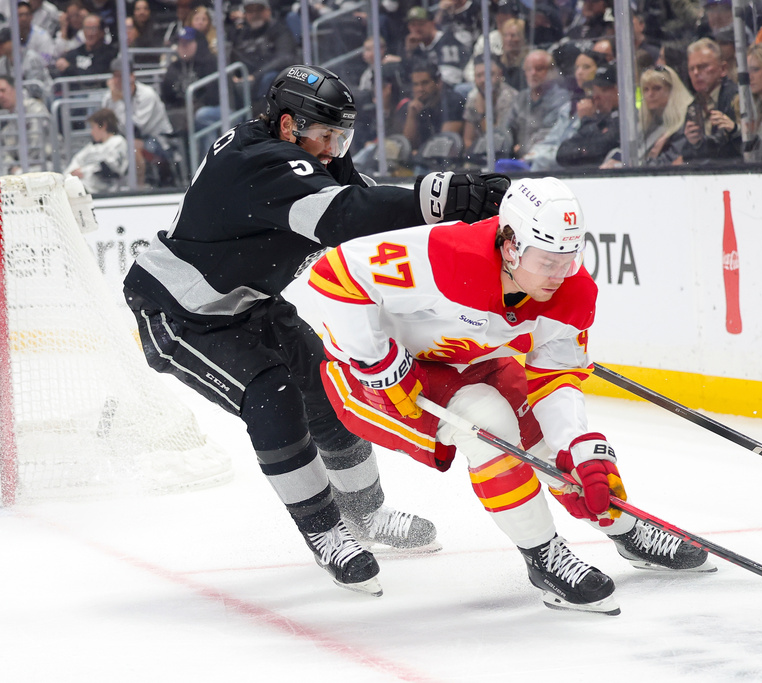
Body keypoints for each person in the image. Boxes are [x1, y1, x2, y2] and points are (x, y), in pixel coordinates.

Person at [123, 64, 510, 596]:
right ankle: (326, 531)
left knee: (328, 391)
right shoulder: (259, 162)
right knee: (272, 396)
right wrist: (438, 197)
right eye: (327, 136)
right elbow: (345, 217)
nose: (334, 149)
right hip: (183, 312)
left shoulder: (301, 148)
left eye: (343, 136)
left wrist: (452, 225)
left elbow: (367, 209)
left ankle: (365, 518)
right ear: (287, 125)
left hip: (251, 303)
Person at [307, 176, 713, 613]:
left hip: (469, 361)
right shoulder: (445, 256)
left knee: (545, 436)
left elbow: (555, 377)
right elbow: (334, 275)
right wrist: (377, 363)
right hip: (375, 374)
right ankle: (544, 556)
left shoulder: (571, 289)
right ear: (510, 244)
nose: (561, 274)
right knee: (489, 423)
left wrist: (577, 449)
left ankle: (624, 527)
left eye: (569, 258)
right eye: (548, 261)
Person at [102, 61, 177, 186]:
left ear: (132, 76)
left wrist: (119, 102)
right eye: (116, 76)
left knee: (133, 146)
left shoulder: (147, 94)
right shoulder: (109, 97)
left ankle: (141, 186)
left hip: (158, 139)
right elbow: (105, 125)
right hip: (127, 139)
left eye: (122, 75)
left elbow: (134, 129)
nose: (118, 80)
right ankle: (116, 185)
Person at [680, 37, 742, 163]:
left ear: (723, 69)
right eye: (692, 69)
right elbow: (688, 155)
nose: (696, 73)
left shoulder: (736, 98)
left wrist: (734, 131)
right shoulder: (693, 106)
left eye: (703, 67)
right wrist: (693, 143)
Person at [503, 49, 570, 161]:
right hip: (520, 159)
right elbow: (508, 128)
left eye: (539, 69)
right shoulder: (521, 98)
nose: (533, 73)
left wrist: (525, 152)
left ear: (551, 71)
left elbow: (549, 135)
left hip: (544, 161)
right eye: (529, 69)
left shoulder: (560, 99)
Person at [228, 0, 297, 106]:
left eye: (259, 10)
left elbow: (285, 58)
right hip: (247, 85)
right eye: (250, 11)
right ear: (245, 15)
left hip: (271, 81)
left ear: (268, 11)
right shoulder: (242, 35)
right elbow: (235, 57)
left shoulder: (280, 30)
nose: (255, 15)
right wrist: (233, 76)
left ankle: (267, 117)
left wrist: (256, 76)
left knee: (270, 78)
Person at [555, 64, 619, 167]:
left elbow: (600, 149)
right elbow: (562, 153)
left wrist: (586, 120)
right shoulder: (597, 118)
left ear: (618, 91)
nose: (596, 96)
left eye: (604, 90)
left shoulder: (622, 120)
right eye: (595, 90)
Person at [401, 60, 466, 157]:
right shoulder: (413, 106)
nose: (420, 89)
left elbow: (444, 144)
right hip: (423, 161)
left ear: (438, 82)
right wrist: (411, 116)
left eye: (425, 83)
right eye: (416, 84)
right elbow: (407, 146)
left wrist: (419, 154)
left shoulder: (452, 101)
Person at [160, 26, 217, 133]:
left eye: (187, 43)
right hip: (183, 113)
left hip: (207, 110)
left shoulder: (209, 63)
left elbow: (212, 97)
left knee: (202, 116)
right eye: (180, 43)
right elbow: (166, 97)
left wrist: (192, 110)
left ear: (198, 43)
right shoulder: (173, 67)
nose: (183, 47)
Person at [636, 64, 692, 166]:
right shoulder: (648, 123)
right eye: (646, 89)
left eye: (656, 88)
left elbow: (671, 162)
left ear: (672, 90)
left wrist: (650, 159)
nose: (650, 94)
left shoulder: (685, 121)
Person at [63, 107, 130, 193]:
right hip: (81, 189)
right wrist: (70, 176)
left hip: (106, 192)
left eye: (93, 127)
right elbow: (76, 162)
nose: (91, 132)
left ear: (103, 126)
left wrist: (84, 171)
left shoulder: (118, 142)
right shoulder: (91, 147)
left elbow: (110, 170)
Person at [463, 55, 518, 159]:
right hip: (480, 155)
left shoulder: (509, 97)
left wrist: (482, 113)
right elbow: (467, 140)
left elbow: (497, 140)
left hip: (504, 157)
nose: (484, 80)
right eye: (479, 75)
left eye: (489, 74)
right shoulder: (473, 97)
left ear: (500, 74)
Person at [403, 5, 471, 88]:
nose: (417, 29)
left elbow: (453, 77)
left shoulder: (448, 40)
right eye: (413, 25)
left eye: (421, 24)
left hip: (451, 88)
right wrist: (409, 52)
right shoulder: (412, 46)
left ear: (432, 23)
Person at [0, 73, 51, 173]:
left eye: (3, 90)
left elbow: (36, 146)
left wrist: (18, 170)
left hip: (46, 165)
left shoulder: (34, 108)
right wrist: (12, 168)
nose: (0, 95)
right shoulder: (6, 118)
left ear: (15, 89)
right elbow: (6, 152)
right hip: (20, 169)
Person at [53, 12, 118, 78]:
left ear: (102, 32)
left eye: (93, 29)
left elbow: (95, 74)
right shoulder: (74, 53)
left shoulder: (110, 53)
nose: (89, 33)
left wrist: (69, 68)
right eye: (86, 28)